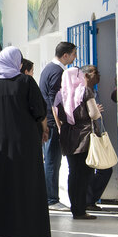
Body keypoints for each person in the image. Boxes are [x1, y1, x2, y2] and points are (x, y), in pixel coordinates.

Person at [0, 46, 51, 237]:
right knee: (28, 181)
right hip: (26, 141)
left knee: (3, 181)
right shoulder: (26, 81)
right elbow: (39, 110)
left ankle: (2, 227)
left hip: (0, 142)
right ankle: (31, 227)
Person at [55, 66, 103, 220]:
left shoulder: (60, 94)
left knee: (73, 172)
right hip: (84, 136)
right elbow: (94, 114)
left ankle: (75, 208)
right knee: (85, 174)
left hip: (68, 135)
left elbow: (56, 113)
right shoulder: (85, 91)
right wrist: (97, 112)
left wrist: (60, 128)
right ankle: (81, 209)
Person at [39, 41, 77, 211]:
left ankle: (49, 196)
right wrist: (59, 123)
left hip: (49, 120)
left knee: (51, 159)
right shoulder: (57, 71)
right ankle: (51, 199)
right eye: (74, 54)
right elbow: (54, 100)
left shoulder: (49, 68)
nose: (75, 57)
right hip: (53, 122)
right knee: (53, 160)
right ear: (65, 55)